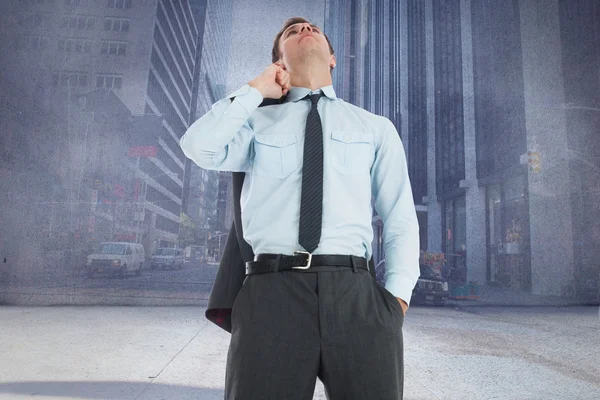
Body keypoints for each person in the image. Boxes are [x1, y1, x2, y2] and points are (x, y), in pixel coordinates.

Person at [180, 16, 420, 400]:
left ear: (333, 58)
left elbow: (399, 218)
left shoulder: (375, 127)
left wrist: (396, 301)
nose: (304, 30)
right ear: (279, 62)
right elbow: (198, 147)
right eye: (291, 33)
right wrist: (256, 89)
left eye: (313, 29)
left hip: (357, 296)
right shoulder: (254, 123)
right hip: (271, 293)